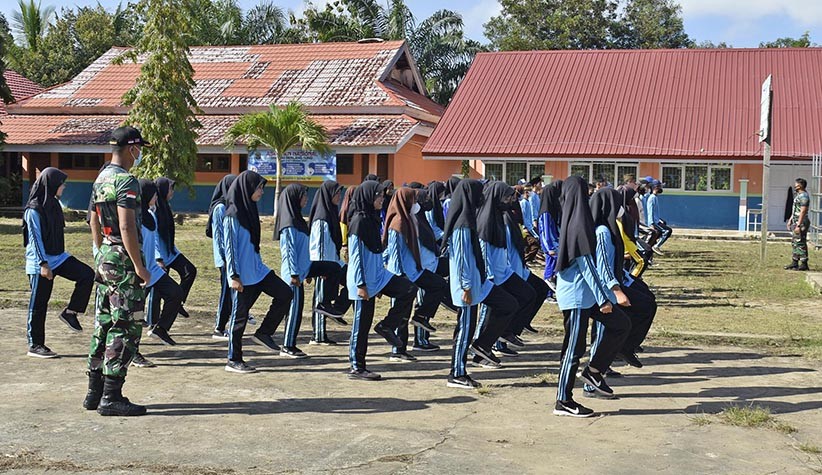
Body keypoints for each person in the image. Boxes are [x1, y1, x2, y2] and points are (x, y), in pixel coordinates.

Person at [84, 126, 151, 416]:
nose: (139, 156)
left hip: (106, 256)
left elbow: (93, 219)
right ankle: (112, 396)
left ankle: (93, 392)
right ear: (132, 148)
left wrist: (98, 249)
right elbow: (126, 226)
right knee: (125, 324)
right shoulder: (126, 181)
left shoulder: (101, 178)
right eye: (139, 150)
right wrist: (139, 267)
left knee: (103, 322)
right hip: (123, 259)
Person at [553, 176, 630, 418]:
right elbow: (587, 266)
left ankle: (594, 371)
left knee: (621, 324)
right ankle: (563, 400)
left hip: (585, 296)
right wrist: (604, 299)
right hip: (577, 297)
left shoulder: (577, 220)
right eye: (585, 192)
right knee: (573, 349)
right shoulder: (578, 225)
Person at [443, 179, 518, 388]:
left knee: (508, 304)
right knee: (464, 329)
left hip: (478, 283)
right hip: (467, 287)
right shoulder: (462, 225)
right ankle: (456, 373)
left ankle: (481, 345)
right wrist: (466, 286)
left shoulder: (469, 220)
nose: (482, 197)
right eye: (478, 193)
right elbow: (462, 259)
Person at [223, 171, 293, 374]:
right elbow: (230, 249)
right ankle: (233, 359)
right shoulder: (232, 215)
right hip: (242, 275)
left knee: (285, 294)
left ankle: (264, 333)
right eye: (259, 187)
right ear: (247, 188)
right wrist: (233, 276)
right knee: (239, 319)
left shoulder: (250, 210)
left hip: (258, 271)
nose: (262, 191)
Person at [346, 180, 417, 381]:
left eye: (381, 195)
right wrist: (361, 285)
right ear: (368, 197)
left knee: (408, 289)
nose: (381, 199)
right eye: (377, 196)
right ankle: (357, 366)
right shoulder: (359, 221)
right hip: (363, 280)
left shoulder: (373, 218)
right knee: (362, 324)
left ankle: (387, 325)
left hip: (378, 275)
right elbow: (356, 256)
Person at [23, 167, 94, 358]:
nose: (64, 186)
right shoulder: (33, 210)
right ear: (52, 184)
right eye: (62, 183)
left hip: (58, 257)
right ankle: (35, 345)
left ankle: (71, 312)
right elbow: (35, 239)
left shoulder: (54, 204)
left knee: (87, 274)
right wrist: (43, 264)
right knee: (39, 303)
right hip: (40, 262)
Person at [276, 183, 347, 357]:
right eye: (303, 195)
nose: (306, 199)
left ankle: (291, 343)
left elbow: (304, 248)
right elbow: (289, 250)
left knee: (298, 308)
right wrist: (294, 273)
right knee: (294, 310)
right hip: (294, 274)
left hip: (304, 269)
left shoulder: (298, 220)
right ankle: (288, 345)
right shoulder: (290, 223)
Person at [383, 187, 450, 361]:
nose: (416, 204)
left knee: (438, 284)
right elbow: (394, 252)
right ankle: (398, 350)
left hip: (414, 270)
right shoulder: (397, 223)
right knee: (401, 315)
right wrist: (400, 277)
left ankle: (421, 316)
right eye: (413, 200)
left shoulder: (409, 219)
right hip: (402, 274)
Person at [474, 182, 535, 365]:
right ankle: (482, 347)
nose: (509, 201)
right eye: (507, 197)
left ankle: (506, 332)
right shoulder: (485, 220)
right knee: (498, 308)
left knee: (528, 294)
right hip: (493, 275)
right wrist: (489, 277)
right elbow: (484, 250)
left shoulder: (500, 217)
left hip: (504, 272)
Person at [139, 179, 182, 347]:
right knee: (134, 312)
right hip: (139, 270)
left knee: (176, 293)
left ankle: (161, 329)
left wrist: (157, 259)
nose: (156, 197)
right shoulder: (134, 217)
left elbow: (155, 239)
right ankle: (132, 352)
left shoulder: (150, 215)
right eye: (154, 194)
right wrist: (139, 268)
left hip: (153, 269)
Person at [308, 180, 351, 344]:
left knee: (351, 280)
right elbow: (317, 246)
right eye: (336, 193)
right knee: (321, 299)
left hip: (334, 263)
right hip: (324, 265)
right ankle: (318, 335)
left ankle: (338, 309)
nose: (339, 197)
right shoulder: (321, 218)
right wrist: (322, 269)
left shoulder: (331, 213)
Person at [153, 177, 197, 317]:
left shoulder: (166, 206)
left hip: (170, 253)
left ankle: (178, 302)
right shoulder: (153, 209)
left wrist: (174, 250)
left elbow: (168, 234)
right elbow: (153, 236)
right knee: (157, 290)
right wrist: (157, 258)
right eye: (171, 188)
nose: (172, 191)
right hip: (159, 256)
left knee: (189, 271)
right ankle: (152, 321)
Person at [206, 174, 236, 340]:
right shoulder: (220, 208)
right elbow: (219, 236)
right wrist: (225, 259)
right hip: (225, 258)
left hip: (229, 258)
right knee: (225, 292)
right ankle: (219, 327)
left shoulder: (229, 205)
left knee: (230, 291)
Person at [538, 180, 562, 301]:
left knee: (554, 267)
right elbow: (546, 231)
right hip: (551, 245)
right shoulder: (546, 212)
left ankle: (550, 292)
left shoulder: (552, 210)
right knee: (550, 268)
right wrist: (550, 248)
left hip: (555, 243)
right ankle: (547, 294)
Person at [786, 178, 811, 271]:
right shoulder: (798, 195)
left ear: (800, 185)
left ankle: (804, 263)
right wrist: (790, 220)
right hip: (796, 221)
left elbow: (803, 211)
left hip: (801, 222)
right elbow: (795, 209)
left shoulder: (804, 196)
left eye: (796, 184)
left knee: (800, 242)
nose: (794, 186)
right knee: (795, 242)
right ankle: (795, 262)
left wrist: (799, 225)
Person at [646, 181, 672, 254]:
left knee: (653, 240)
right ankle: (656, 246)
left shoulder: (655, 197)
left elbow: (655, 212)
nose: (661, 188)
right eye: (660, 186)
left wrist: (660, 220)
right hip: (654, 222)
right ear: (655, 187)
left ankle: (650, 251)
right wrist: (652, 223)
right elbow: (650, 211)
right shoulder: (652, 198)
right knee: (667, 231)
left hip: (656, 221)